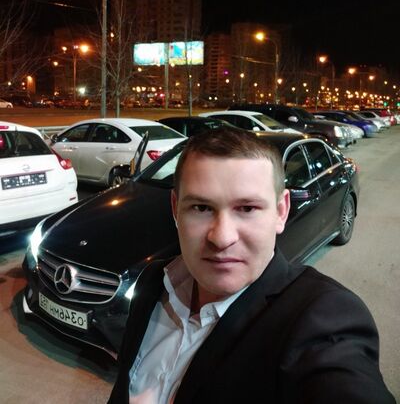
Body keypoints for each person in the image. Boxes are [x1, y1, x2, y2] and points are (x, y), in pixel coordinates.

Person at [108, 127, 395, 403]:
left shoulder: (321, 317)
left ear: (281, 211)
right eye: (201, 208)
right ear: (175, 209)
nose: (221, 238)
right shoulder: (153, 282)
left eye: (247, 208)